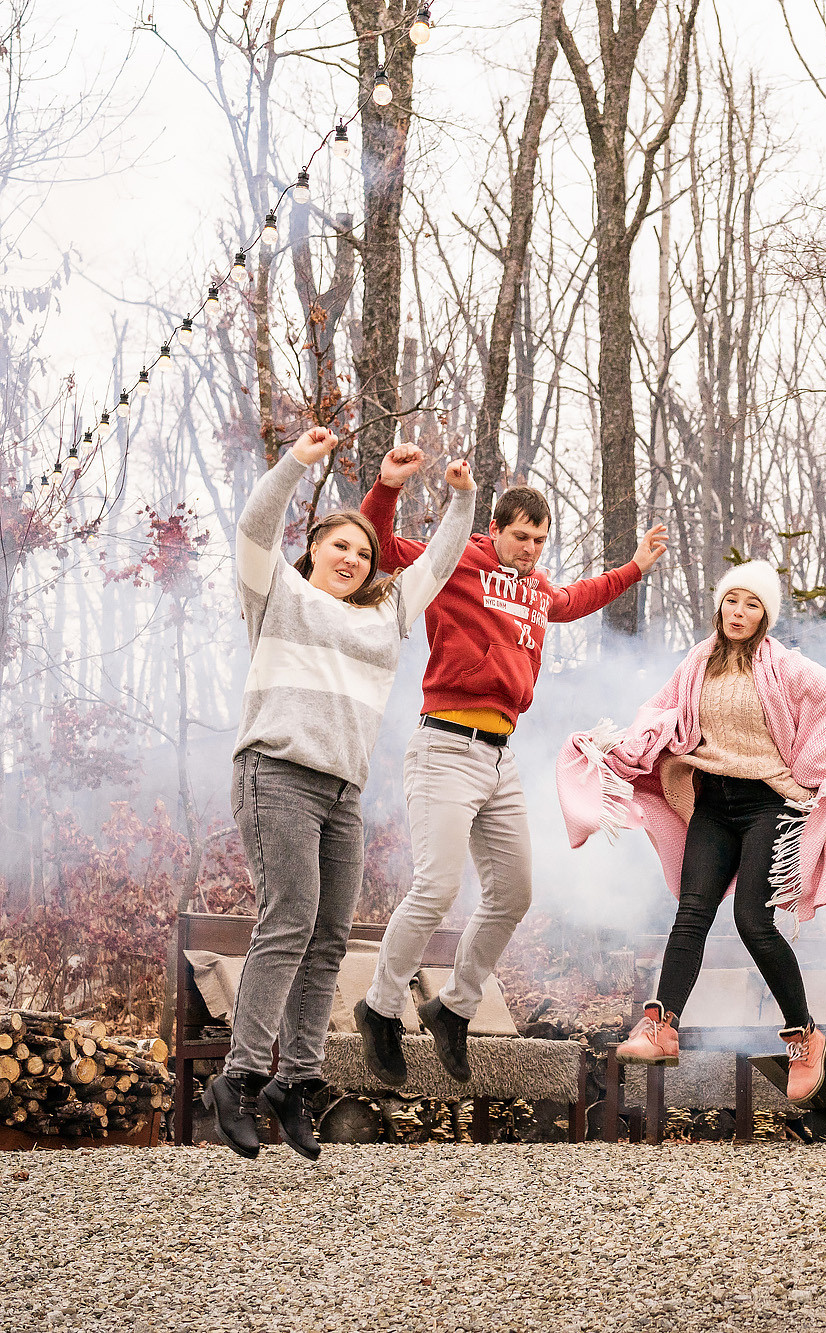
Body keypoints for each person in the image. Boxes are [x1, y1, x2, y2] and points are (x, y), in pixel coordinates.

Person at [351, 449, 670, 1090]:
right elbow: (382, 549)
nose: (529, 549)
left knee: (514, 892)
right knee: (437, 887)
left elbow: (575, 600)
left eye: (540, 540)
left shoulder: (535, 588)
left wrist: (634, 567)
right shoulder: (457, 562)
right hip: (444, 744)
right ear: (494, 530)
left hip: (499, 757)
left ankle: (454, 1008)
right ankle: (380, 1007)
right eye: (521, 537)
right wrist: (386, 487)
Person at [206, 427, 474, 1161]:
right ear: (313, 551)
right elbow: (254, 524)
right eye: (339, 546)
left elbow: (443, 563)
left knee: (329, 938)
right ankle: (237, 1077)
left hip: (341, 794)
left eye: (364, 551)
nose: (354, 558)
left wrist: (461, 498)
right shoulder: (275, 594)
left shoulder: (386, 615)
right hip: (276, 774)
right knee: (288, 918)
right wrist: (298, 462)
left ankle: (296, 1082)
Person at [558, 561, 826, 1102]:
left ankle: (804, 1034)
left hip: (768, 805)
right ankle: (662, 1026)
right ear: (720, 606)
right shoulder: (697, 662)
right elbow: (659, 710)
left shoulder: (785, 666)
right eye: (733, 601)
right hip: (712, 804)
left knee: (753, 921)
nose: (740, 612)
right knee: (693, 911)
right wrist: (622, 745)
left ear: (765, 616)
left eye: (752, 605)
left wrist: (806, 766)